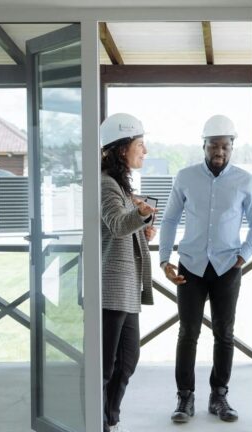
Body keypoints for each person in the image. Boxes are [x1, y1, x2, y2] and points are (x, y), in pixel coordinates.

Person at [159, 114, 252, 424]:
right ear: (204, 145)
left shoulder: (245, 180)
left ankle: (219, 396)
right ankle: (185, 398)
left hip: (228, 266)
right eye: (214, 145)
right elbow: (170, 219)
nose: (220, 151)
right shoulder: (185, 177)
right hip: (191, 266)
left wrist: (244, 255)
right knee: (188, 332)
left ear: (232, 147)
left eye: (225, 146)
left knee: (224, 333)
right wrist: (164, 259)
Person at [99, 113, 157, 432]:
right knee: (107, 365)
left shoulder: (120, 184)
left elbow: (125, 225)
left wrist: (143, 225)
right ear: (123, 149)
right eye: (140, 144)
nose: (144, 151)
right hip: (112, 287)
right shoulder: (107, 183)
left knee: (127, 360)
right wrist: (139, 215)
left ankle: (111, 418)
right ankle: (102, 421)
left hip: (125, 288)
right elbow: (118, 224)